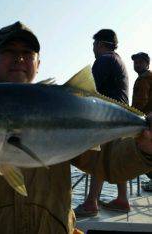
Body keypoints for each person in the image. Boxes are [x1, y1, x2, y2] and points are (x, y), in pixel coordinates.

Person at [0, 22, 152, 234]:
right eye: (8, 50)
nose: (19, 58)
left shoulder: (61, 107)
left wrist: (144, 150)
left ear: (38, 63)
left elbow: (110, 163)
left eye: (28, 53)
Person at [74, 29, 130, 217]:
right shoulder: (118, 60)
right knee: (114, 157)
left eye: (93, 45)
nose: (93, 49)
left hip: (107, 117)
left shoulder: (104, 60)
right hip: (121, 117)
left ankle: (91, 203)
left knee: (99, 156)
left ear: (99, 44)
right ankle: (122, 199)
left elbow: (88, 90)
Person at [132, 52, 152, 192]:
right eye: (135, 62)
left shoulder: (144, 79)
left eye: (140, 62)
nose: (136, 64)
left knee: (142, 155)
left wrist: (130, 116)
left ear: (147, 63)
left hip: (145, 123)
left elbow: (141, 101)